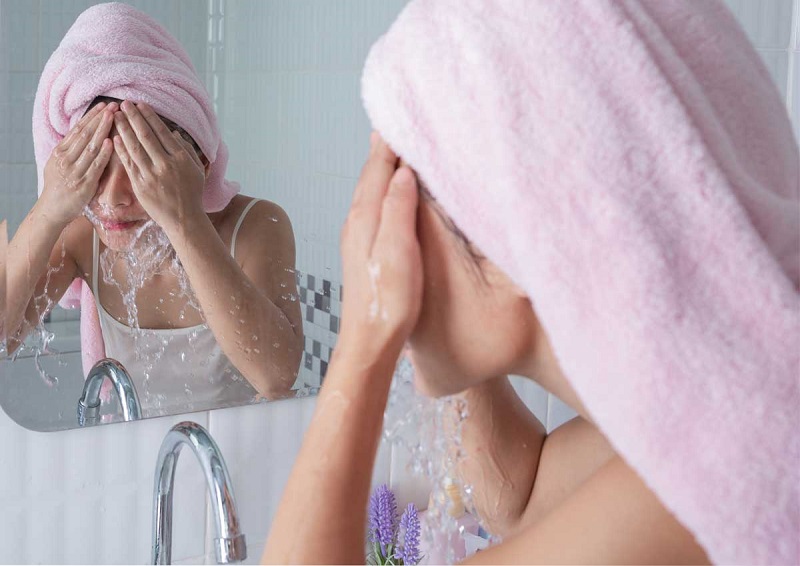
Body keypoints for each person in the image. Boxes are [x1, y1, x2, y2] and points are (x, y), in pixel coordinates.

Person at [262, 1, 799, 564]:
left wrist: (363, 344)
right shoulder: (728, 415)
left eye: (404, 194)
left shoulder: (736, 477)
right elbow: (519, 499)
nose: (376, 234)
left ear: (521, 234)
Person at [5, 4, 303, 407]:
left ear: (197, 166)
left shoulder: (255, 226)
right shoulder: (81, 237)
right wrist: (49, 208)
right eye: (96, 168)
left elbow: (277, 377)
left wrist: (186, 221)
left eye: (139, 167)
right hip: (124, 445)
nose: (111, 199)